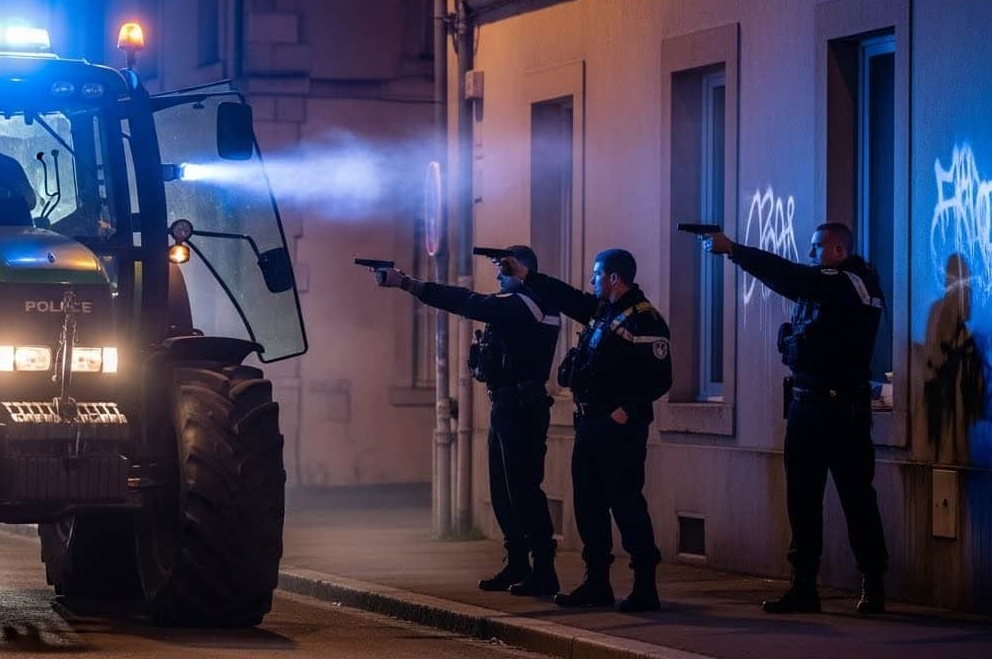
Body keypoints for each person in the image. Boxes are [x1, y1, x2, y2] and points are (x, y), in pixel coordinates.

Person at [703, 222, 888, 615]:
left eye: (817, 246)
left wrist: (734, 249)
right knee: (802, 501)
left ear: (838, 250)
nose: (810, 253)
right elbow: (791, 292)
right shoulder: (822, 287)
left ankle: (873, 582)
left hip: (842, 410)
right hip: (805, 406)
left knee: (856, 498)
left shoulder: (851, 282)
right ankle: (803, 586)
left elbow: (791, 276)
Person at [374, 246, 563, 597]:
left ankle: (544, 569)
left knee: (524, 491)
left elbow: (468, 302)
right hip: (505, 405)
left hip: (522, 408)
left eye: (505, 269)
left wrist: (408, 284)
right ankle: (518, 562)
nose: (499, 275)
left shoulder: (532, 303)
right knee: (503, 492)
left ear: (523, 270)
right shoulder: (517, 304)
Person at [504, 248, 670, 613]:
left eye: (597, 275)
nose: (592, 281)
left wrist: (626, 410)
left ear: (614, 278)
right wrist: (526, 276)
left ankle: (645, 586)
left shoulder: (644, 319)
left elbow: (659, 378)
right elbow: (564, 296)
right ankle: (597, 582)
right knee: (588, 504)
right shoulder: (601, 313)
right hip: (590, 425)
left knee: (626, 504)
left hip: (619, 430)